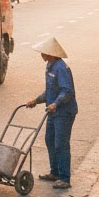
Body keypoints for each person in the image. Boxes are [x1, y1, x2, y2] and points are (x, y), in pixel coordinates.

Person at [24, 37, 77, 189]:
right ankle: (55, 172)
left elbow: (67, 91)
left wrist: (56, 103)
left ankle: (65, 178)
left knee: (61, 144)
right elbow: (50, 90)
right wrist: (36, 100)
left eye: (44, 53)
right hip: (53, 111)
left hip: (64, 112)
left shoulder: (61, 68)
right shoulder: (49, 66)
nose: (42, 55)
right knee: (50, 140)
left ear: (51, 53)